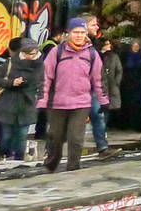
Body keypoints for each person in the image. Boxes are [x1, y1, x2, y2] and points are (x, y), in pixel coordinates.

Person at [38, 19, 107, 173]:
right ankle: (51, 163)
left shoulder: (92, 54)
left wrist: (104, 101)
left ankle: (73, 168)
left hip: (81, 103)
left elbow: (98, 79)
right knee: (55, 137)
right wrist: (42, 100)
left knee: (76, 138)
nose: (79, 36)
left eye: (82, 32)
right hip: (57, 103)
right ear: (68, 33)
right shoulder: (57, 52)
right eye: (76, 32)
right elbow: (46, 77)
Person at [0, 37, 44, 161]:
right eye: (28, 54)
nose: (31, 56)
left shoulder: (40, 65)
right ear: (22, 52)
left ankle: (19, 159)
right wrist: (12, 82)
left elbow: (43, 83)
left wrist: (40, 97)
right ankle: (3, 153)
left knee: (22, 135)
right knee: (6, 134)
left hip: (27, 104)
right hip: (9, 103)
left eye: (34, 53)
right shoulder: (10, 63)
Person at [83, 15, 117, 159]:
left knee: (98, 115)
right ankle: (54, 150)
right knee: (70, 119)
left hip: (94, 85)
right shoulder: (77, 44)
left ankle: (103, 147)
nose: (97, 27)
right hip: (79, 86)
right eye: (93, 24)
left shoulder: (95, 43)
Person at [97, 36, 122, 154]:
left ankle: (102, 133)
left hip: (111, 87)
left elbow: (119, 70)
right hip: (99, 87)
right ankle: (101, 136)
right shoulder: (96, 55)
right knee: (98, 111)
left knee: (107, 109)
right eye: (107, 43)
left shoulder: (113, 56)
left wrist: (116, 82)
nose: (109, 45)